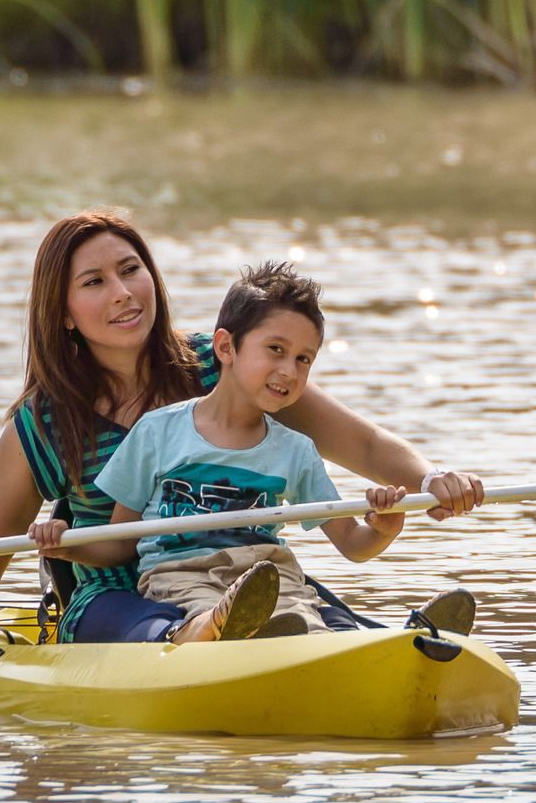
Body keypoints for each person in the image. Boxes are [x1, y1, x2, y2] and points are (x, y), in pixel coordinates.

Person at [0, 209, 474, 630]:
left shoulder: (226, 363)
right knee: (175, 621)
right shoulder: (40, 426)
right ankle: (211, 637)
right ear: (63, 313)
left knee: (320, 616)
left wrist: (431, 480)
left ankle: (404, 646)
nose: (123, 293)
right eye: (94, 282)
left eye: (130, 270)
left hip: (242, 568)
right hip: (117, 597)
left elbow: (366, 445)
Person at [46, 258, 477, 644]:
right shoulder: (158, 432)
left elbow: (352, 544)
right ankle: (210, 632)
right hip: (181, 577)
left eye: (304, 359)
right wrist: (66, 547)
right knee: (215, 612)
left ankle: (405, 648)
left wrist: (384, 527)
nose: (289, 370)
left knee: (305, 616)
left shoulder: (295, 450)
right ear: (225, 347)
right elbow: (121, 542)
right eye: (276, 350)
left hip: (267, 577)